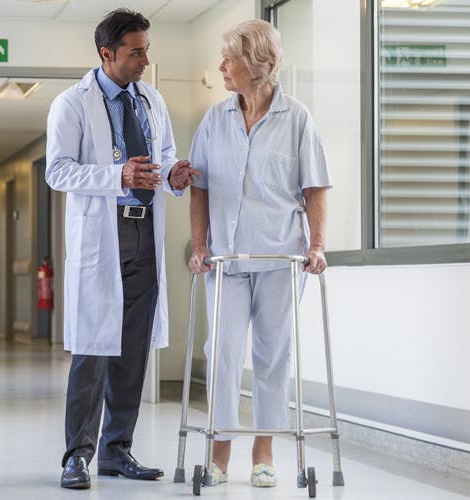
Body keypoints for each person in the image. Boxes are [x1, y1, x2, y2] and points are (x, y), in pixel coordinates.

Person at [46, 8, 198, 490]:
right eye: (136, 52)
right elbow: (58, 170)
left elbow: (165, 156)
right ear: (107, 54)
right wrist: (117, 176)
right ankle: (77, 456)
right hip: (101, 233)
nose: (145, 60)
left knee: (132, 348)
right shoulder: (72, 103)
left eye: (147, 50)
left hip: (144, 231)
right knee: (93, 351)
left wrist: (173, 176)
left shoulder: (151, 99)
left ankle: (117, 450)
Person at [187, 19, 331, 489]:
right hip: (226, 262)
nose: (222, 66)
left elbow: (314, 188)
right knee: (222, 353)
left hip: (279, 262)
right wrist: (201, 245)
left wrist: (317, 246)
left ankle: (263, 452)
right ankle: (219, 451)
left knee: (273, 356)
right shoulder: (215, 119)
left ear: (258, 64)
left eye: (230, 58)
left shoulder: (298, 119)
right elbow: (200, 187)